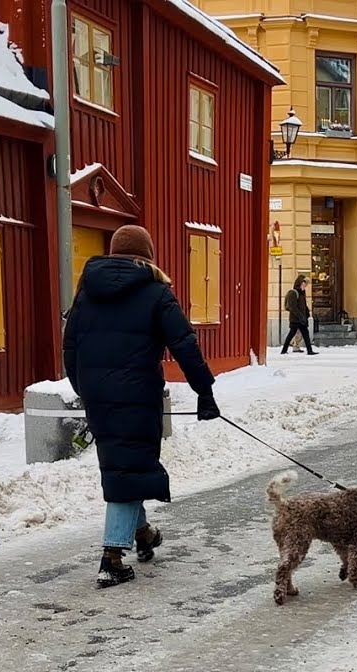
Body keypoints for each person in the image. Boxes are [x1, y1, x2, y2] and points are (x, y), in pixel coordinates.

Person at [63, 224, 220, 588]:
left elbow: (70, 349)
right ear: (146, 255)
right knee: (130, 465)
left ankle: (143, 533)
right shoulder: (155, 292)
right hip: (138, 394)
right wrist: (205, 392)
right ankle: (111, 557)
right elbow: (185, 345)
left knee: (124, 465)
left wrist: (85, 390)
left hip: (99, 395)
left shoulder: (86, 292)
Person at [281, 274, 317, 355]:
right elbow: (292, 307)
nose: (305, 286)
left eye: (305, 284)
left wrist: (306, 313)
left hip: (302, 319)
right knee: (291, 334)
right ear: (299, 283)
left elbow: (303, 305)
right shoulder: (293, 293)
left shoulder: (302, 293)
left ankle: (309, 350)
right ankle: (284, 350)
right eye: (303, 284)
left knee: (305, 334)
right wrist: (300, 316)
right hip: (295, 319)